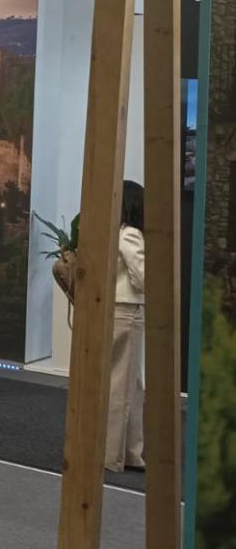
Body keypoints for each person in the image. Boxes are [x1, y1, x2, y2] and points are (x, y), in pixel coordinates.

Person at [107, 181, 146, 472]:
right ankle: (112, 454)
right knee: (122, 384)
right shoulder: (130, 234)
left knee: (131, 384)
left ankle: (131, 452)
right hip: (128, 310)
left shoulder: (113, 232)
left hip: (117, 308)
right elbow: (143, 277)